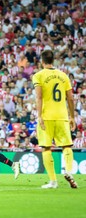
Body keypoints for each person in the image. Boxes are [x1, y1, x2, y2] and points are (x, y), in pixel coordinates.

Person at [32, 50, 78, 189]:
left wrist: (39, 115)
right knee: (67, 146)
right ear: (53, 60)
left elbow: (39, 97)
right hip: (62, 115)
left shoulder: (38, 75)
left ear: (42, 61)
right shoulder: (63, 76)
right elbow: (70, 98)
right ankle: (69, 171)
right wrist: (72, 117)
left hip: (46, 116)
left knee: (46, 148)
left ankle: (53, 182)